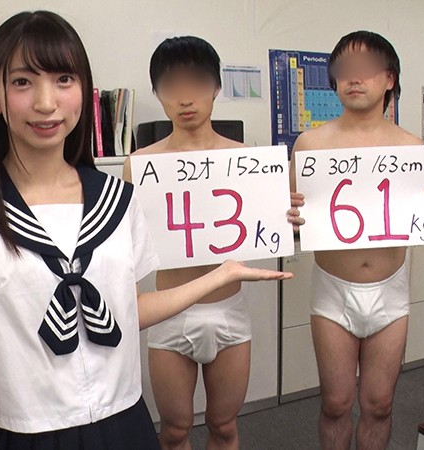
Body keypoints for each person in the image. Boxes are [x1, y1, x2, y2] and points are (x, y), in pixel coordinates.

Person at [0, 12, 290, 450]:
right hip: (27, 432)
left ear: (84, 91)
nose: (46, 102)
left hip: (124, 421)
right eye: (23, 82)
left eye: (64, 80)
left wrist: (223, 274)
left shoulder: (116, 199)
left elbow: (128, 309)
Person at [288, 31, 424, 450]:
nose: (354, 78)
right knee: (336, 403)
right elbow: (291, 222)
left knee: (379, 404)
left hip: (389, 290)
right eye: (345, 70)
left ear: (390, 78)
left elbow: (420, 216)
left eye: (367, 69)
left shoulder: (411, 147)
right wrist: (290, 215)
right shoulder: (310, 144)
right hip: (332, 290)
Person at [122, 35, 276, 450]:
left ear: (216, 88)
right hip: (170, 312)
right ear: (158, 93)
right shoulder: (140, 164)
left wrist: (289, 212)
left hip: (229, 310)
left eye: (197, 83)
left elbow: (270, 224)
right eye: (172, 85)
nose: (186, 97)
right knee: (174, 431)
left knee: (224, 427)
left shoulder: (247, 159)